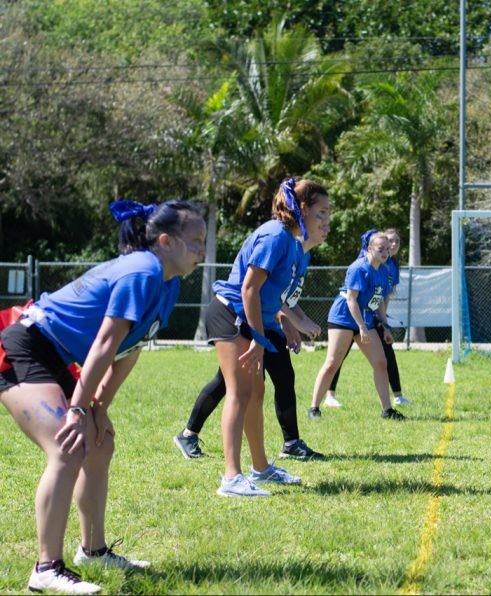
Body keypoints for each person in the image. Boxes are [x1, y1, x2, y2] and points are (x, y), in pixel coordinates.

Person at [0, 199, 205, 594]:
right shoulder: (143, 272)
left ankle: (92, 552)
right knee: (68, 448)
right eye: (195, 241)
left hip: (54, 352)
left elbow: (130, 348)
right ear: (165, 241)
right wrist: (78, 408)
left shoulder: (169, 282)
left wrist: (99, 408)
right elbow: (105, 343)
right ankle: (45, 569)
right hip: (24, 345)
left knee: (98, 443)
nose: (201, 250)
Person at [208, 178, 330, 498]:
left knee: (255, 394)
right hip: (231, 314)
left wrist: (284, 323)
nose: (325, 220)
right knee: (239, 392)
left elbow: (271, 296)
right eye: (321, 212)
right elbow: (248, 289)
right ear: (301, 208)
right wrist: (259, 341)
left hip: (250, 320)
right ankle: (230, 478)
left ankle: (260, 468)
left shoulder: (291, 242)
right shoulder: (276, 234)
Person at [173, 217, 328, 462]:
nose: (326, 224)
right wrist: (285, 321)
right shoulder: (283, 243)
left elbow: (281, 297)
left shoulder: (304, 256)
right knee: (231, 383)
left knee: (283, 377)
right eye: (321, 216)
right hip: (245, 318)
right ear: (304, 218)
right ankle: (190, 435)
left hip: (268, 323)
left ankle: (290, 443)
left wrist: (291, 320)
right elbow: (255, 291)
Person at [308, 232, 404, 420]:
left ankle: (387, 410)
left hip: (365, 318)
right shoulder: (359, 268)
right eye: (380, 248)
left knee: (381, 363)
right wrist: (361, 327)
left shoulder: (385, 271)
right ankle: (314, 409)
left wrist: (384, 327)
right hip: (344, 317)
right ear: (369, 249)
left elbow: (380, 301)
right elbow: (351, 300)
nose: (386, 252)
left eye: (387, 249)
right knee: (332, 364)